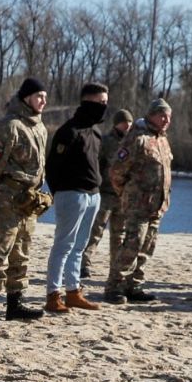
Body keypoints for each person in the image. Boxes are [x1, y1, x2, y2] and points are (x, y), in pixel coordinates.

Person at [0, 77, 50, 327]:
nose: (43, 101)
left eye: (45, 97)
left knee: (22, 253)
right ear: (26, 97)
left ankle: (14, 304)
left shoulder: (40, 127)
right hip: (8, 198)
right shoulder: (9, 126)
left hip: (29, 200)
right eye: (39, 96)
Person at [43, 82, 109, 312]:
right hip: (71, 195)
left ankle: (73, 291)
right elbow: (52, 167)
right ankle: (53, 295)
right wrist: (59, 192)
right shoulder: (68, 131)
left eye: (106, 102)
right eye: (101, 102)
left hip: (93, 195)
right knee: (64, 245)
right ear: (88, 102)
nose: (104, 107)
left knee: (80, 246)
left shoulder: (96, 132)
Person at [106, 98, 175, 304]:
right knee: (131, 246)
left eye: (169, 117)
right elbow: (117, 171)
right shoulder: (137, 138)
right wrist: (127, 194)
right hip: (138, 205)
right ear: (151, 115)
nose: (166, 120)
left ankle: (133, 285)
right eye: (162, 115)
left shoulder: (162, 140)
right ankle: (114, 286)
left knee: (147, 247)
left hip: (157, 205)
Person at [83, 109, 132, 279]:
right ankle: (84, 263)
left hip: (123, 195)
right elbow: (97, 164)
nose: (127, 125)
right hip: (105, 193)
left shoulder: (133, 142)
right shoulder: (106, 141)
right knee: (95, 230)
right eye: (124, 122)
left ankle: (116, 266)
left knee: (119, 234)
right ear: (116, 123)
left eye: (129, 122)